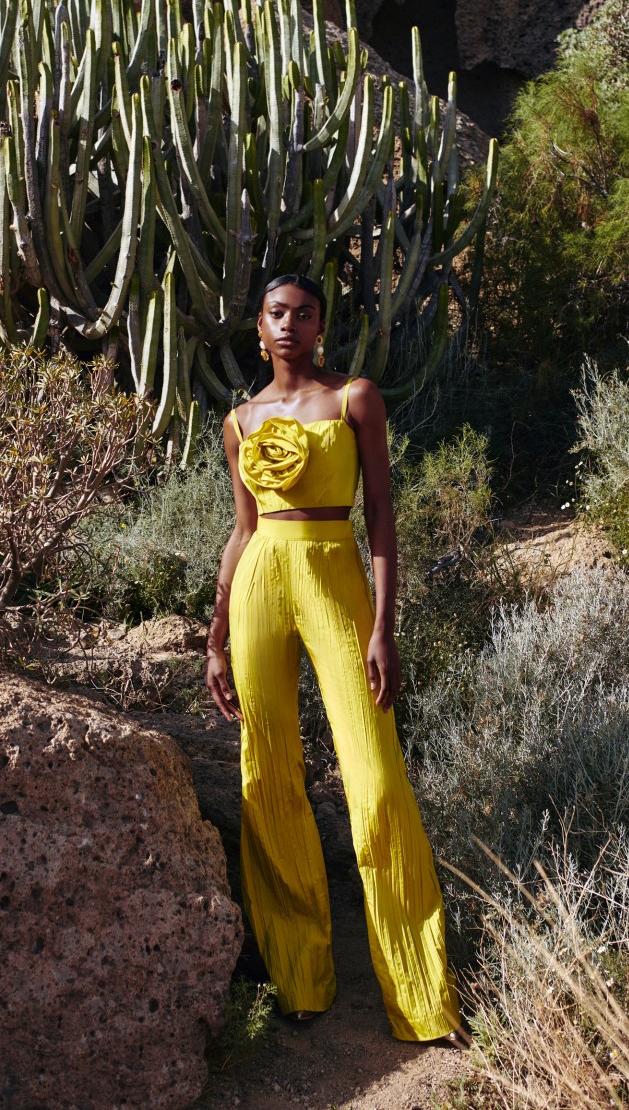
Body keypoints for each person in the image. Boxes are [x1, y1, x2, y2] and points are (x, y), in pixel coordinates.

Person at [205, 273, 460, 1041]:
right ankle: (300, 977)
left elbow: (380, 512)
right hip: (259, 587)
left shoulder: (356, 398)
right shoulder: (240, 420)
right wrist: (214, 637)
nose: (289, 325)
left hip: (335, 577)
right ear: (258, 326)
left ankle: (421, 997)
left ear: (320, 325)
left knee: (376, 778)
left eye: (304, 314)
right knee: (269, 769)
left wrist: (384, 625)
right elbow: (243, 530)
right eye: (276, 313)